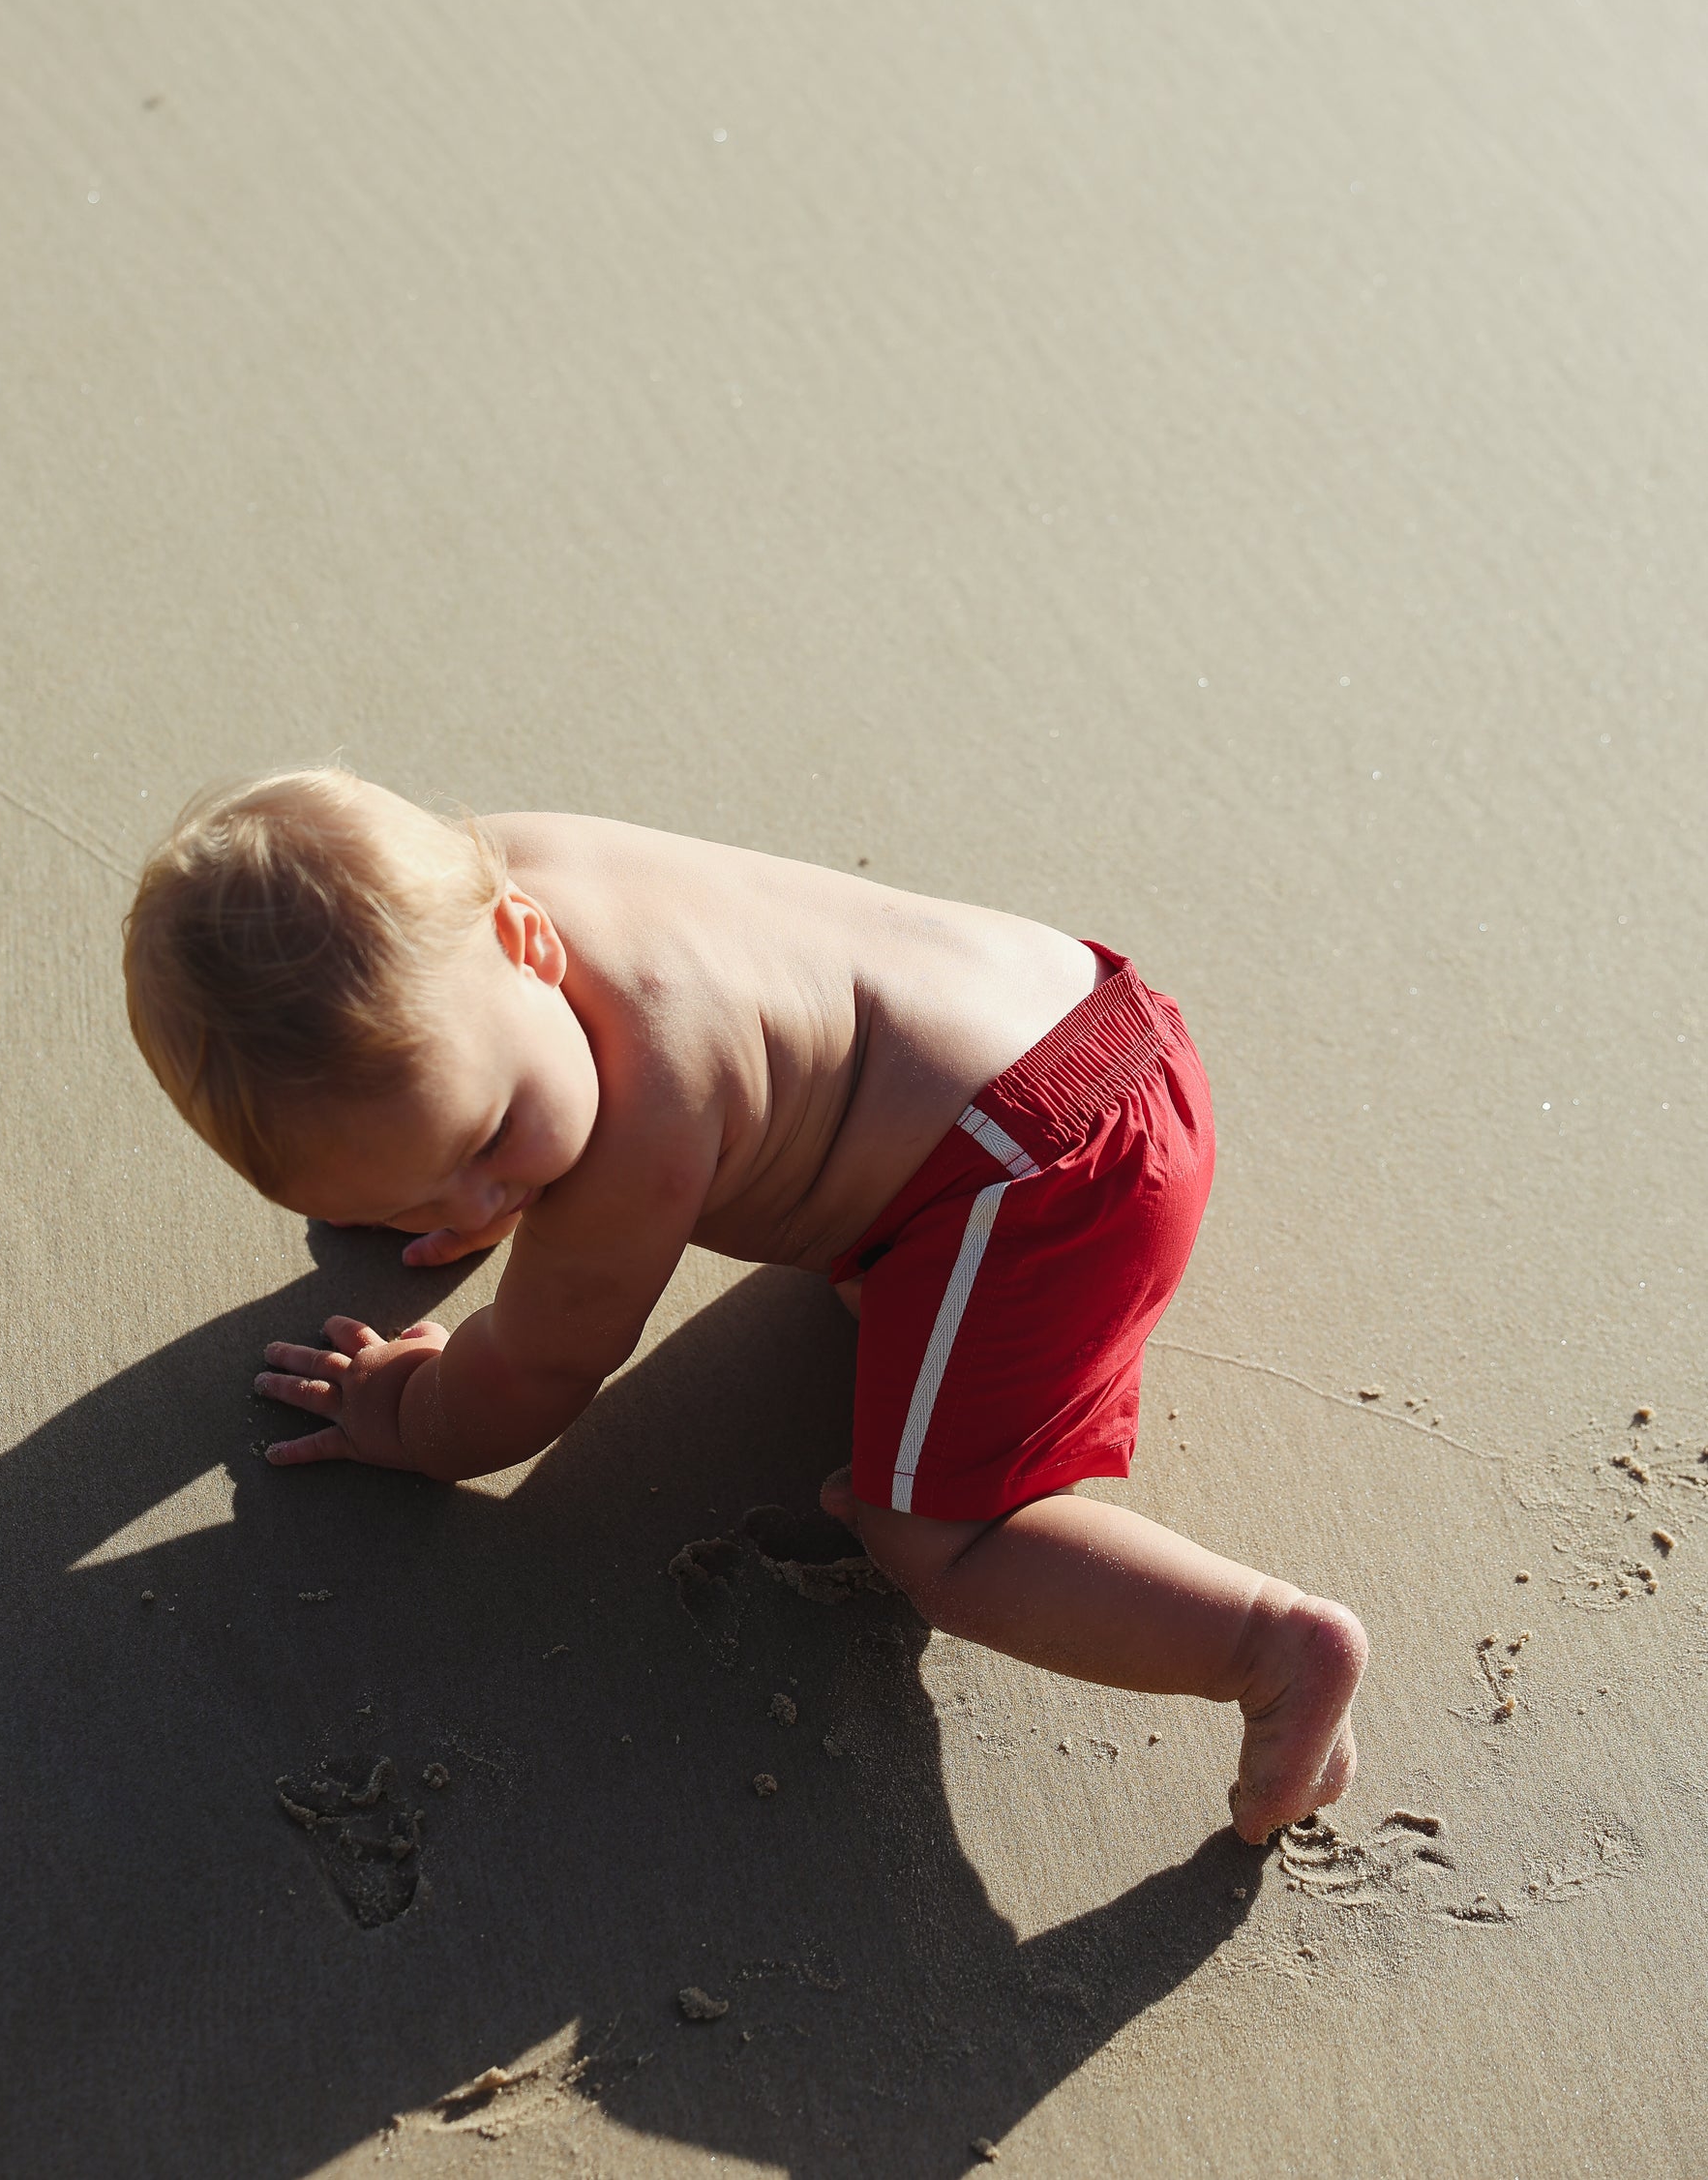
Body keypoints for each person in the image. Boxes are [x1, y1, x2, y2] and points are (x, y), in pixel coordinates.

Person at [123, 768, 1366, 1842]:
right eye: (408, 1200)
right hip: (1086, 1010)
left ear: (527, 948)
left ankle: (1264, 1646)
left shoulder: (643, 1130)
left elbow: (530, 1383)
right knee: (833, 1277)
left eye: (495, 1136)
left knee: (928, 1538)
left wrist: (407, 1406)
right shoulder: (492, 886)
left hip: (1041, 1188)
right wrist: (473, 1147)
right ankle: (891, 1297)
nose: (480, 1196)